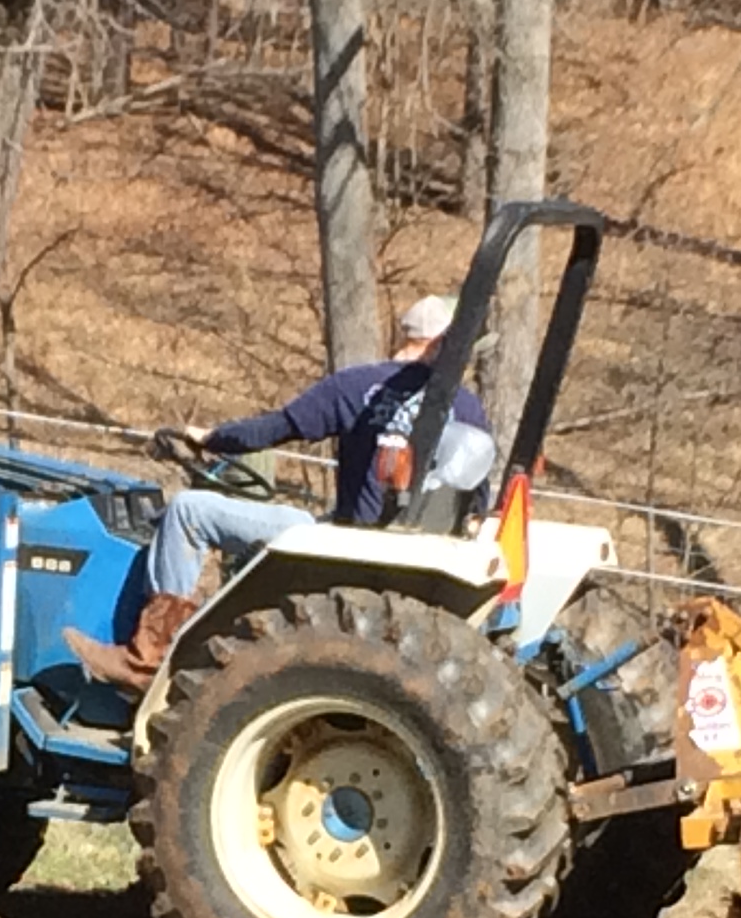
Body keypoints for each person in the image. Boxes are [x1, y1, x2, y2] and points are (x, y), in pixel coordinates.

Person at [64, 293, 494, 689]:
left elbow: (276, 429)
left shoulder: (360, 386)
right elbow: (477, 493)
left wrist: (210, 437)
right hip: (412, 549)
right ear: (443, 343)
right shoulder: (468, 407)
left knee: (187, 512)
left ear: (408, 335)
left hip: (346, 539)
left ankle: (148, 661)